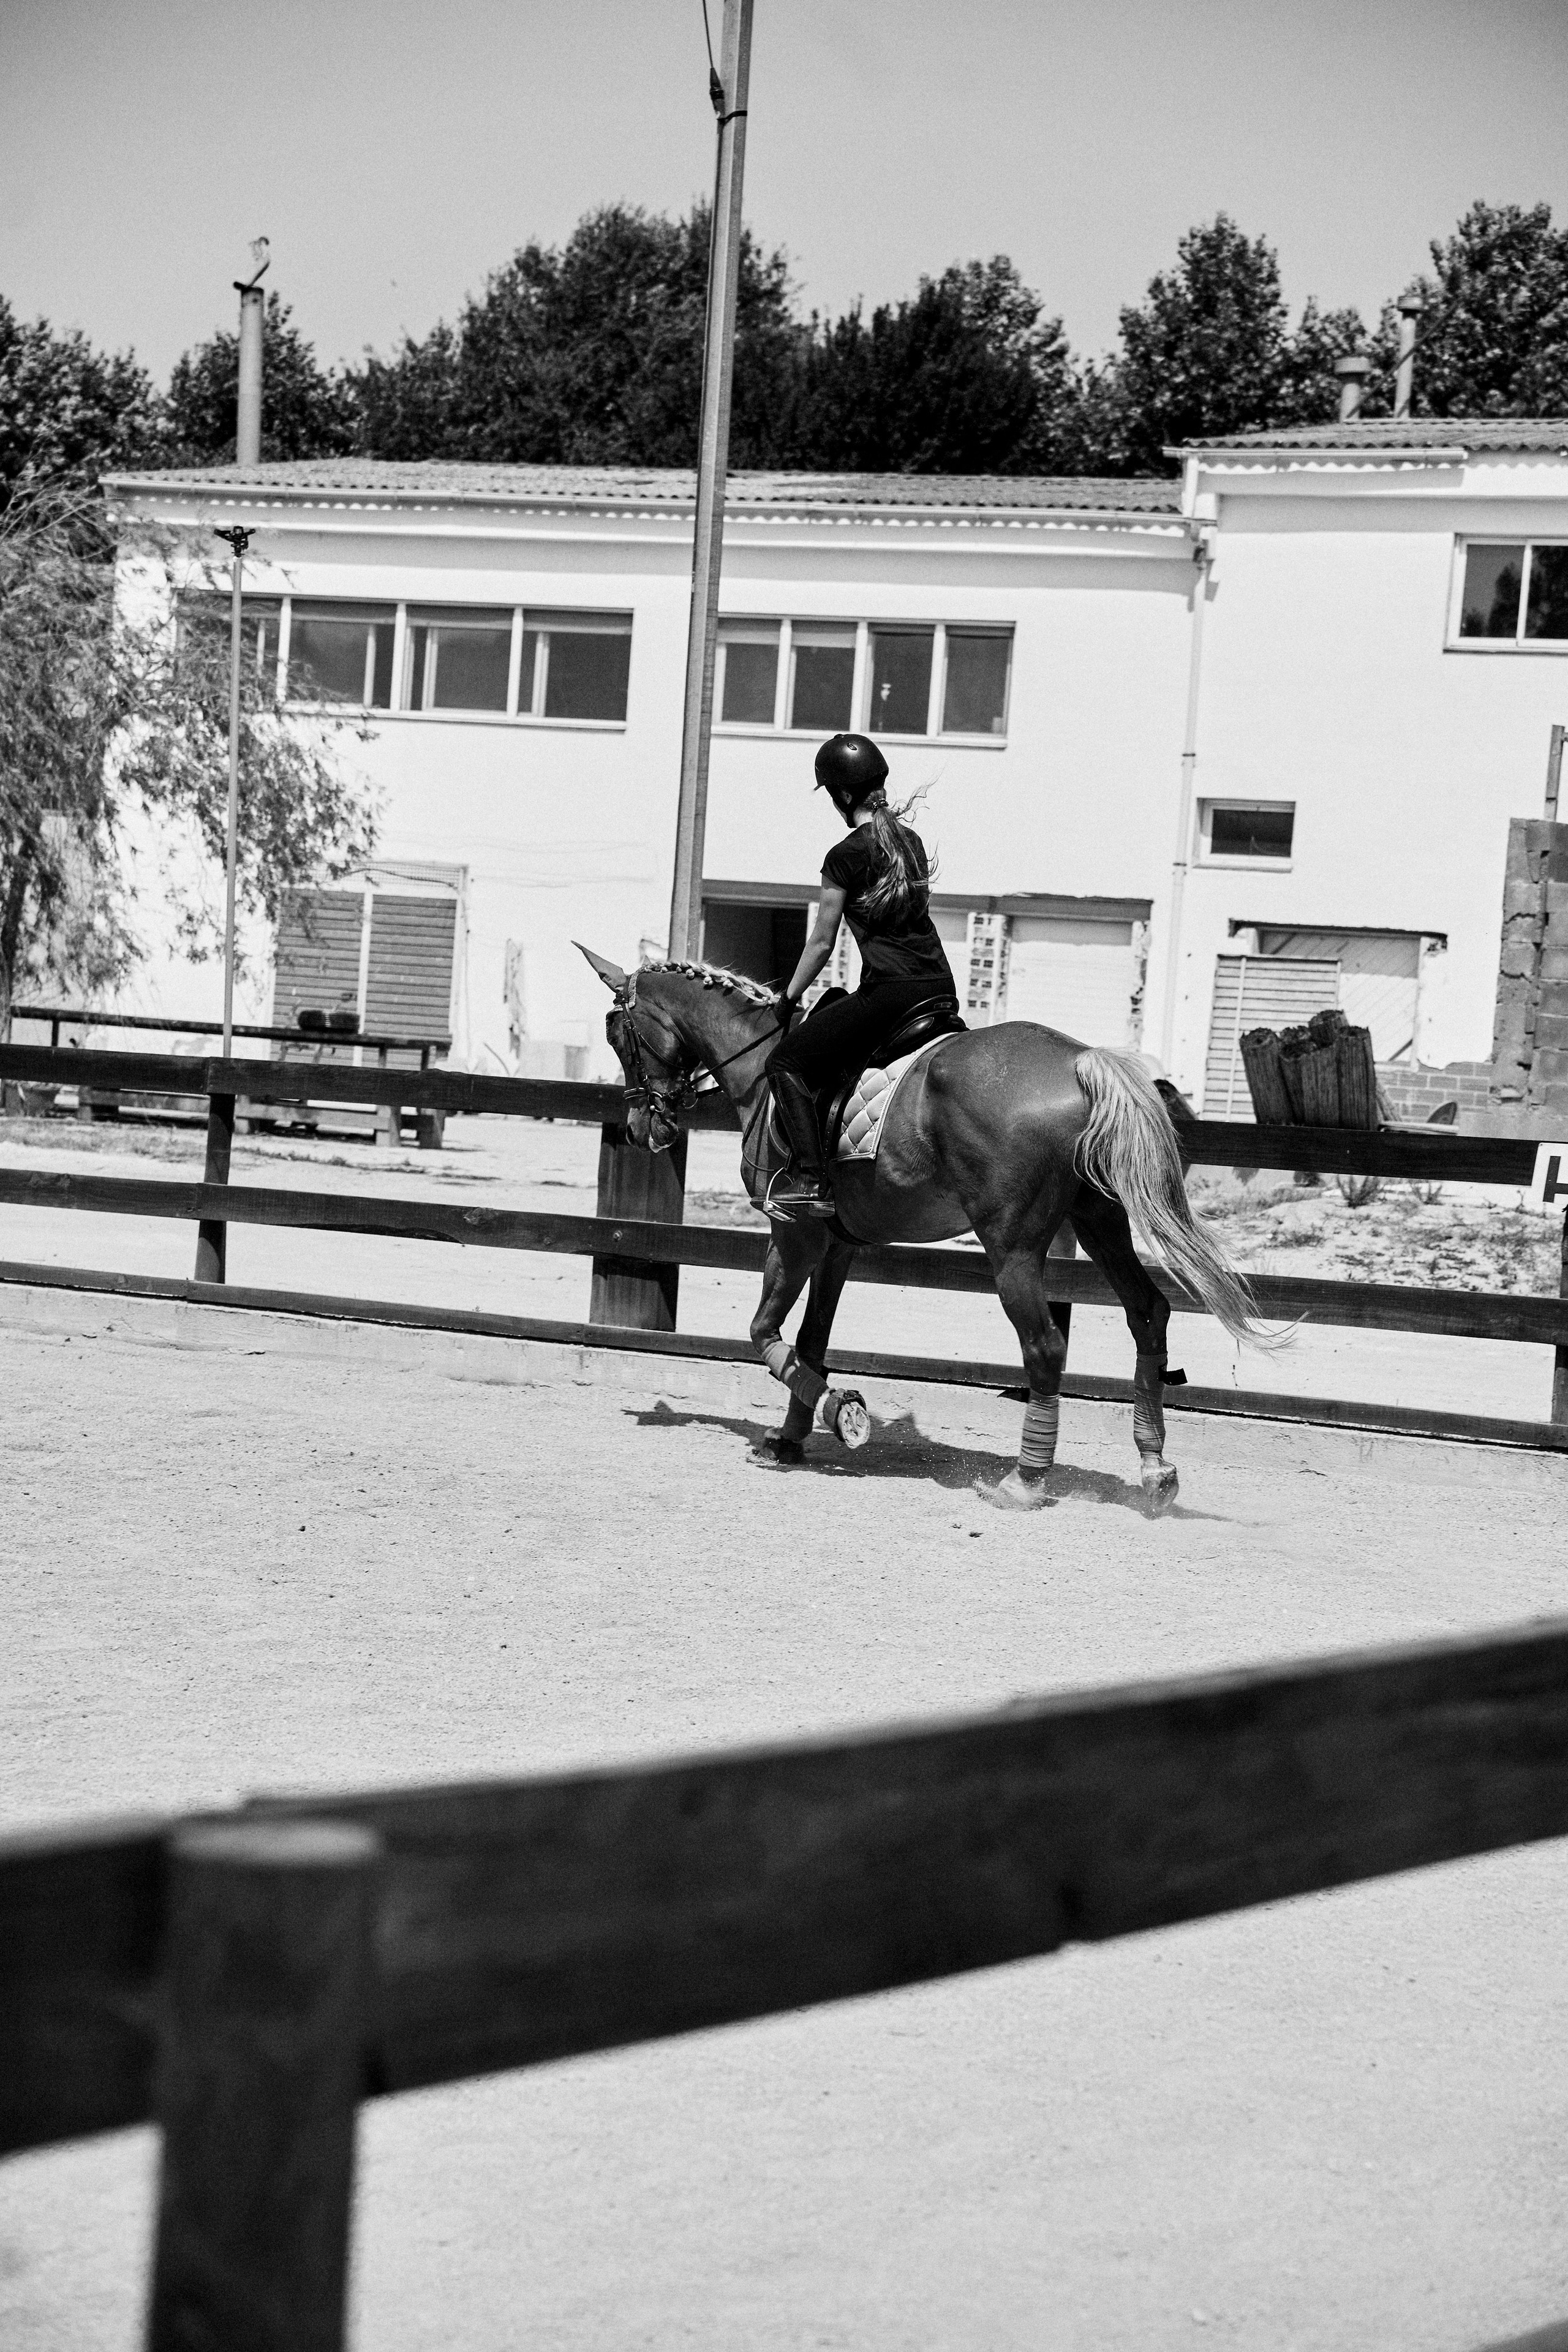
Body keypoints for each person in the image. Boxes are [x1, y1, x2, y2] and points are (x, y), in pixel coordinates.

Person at [766, 733, 959, 1217]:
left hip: (891, 994)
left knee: (785, 1063)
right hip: (939, 987)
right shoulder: (907, 842)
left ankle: (810, 1179)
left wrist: (787, 999)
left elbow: (821, 943)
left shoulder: (844, 855)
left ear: (842, 796)